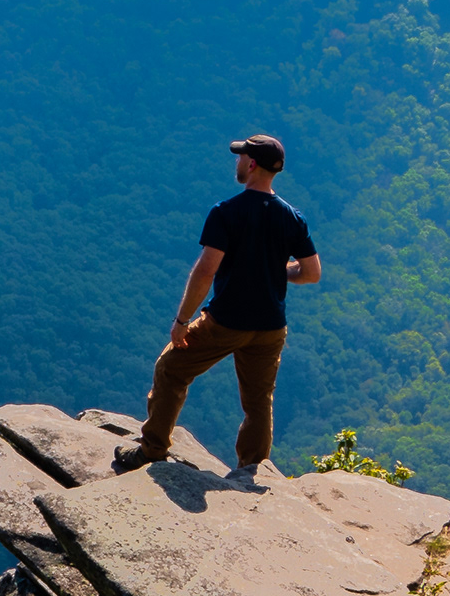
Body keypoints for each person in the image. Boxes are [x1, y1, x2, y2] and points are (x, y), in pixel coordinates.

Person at [114, 132, 321, 475]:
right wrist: (275, 271)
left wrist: (182, 321)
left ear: (251, 165)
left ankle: (151, 450)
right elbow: (311, 272)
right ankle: (252, 470)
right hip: (271, 328)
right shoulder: (292, 217)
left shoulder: (226, 212)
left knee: (170, 369)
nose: (237, 161)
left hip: (226, 322)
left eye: (241, 157)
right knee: (258, 403)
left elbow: (205, 271)